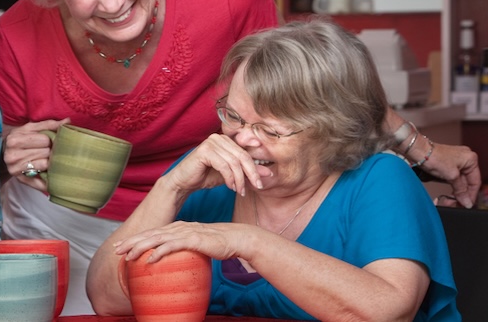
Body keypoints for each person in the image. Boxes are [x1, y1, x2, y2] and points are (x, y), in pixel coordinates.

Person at [0, 0, 479, 315]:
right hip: (112, 209)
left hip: (228, 191)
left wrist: (418, 148)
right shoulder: (201, 189)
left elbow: (310, 83)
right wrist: (5, 151)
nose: (109, 1)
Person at [87, 20, 459, 321]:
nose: (244, 139)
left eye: (270, 129)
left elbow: (387, 312)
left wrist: (247, 240)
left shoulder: (379, 181)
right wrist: (170, 187)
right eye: (233, 116)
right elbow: (107, 298)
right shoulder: (206, 176)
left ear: (334, 131)